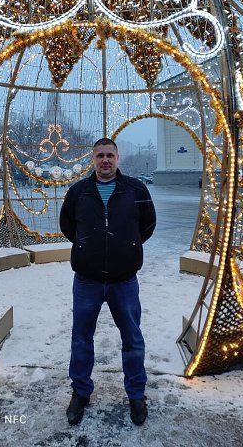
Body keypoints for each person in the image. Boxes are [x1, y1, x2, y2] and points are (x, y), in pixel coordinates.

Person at [60, 137, 156, 426]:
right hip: (87, 281)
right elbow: (68, 226)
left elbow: (147, 225)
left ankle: (136, 395)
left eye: (109, 155)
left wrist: (127, 246)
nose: (105, 160)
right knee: (81, 339)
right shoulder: (78, 192)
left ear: (117, 158)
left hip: (123, 281)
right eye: (100, 155)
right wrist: (88, 247)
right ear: (93, 159)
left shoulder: (136, 190)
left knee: (132, 340)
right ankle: (80, 393)